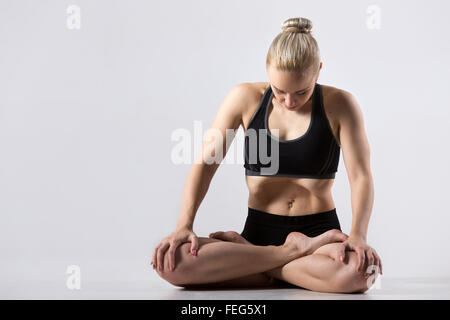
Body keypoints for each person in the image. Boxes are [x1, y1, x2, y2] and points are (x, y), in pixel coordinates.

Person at [151, 17, 382, 293]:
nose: (289, 101)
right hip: (261, 233)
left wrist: (358, 235)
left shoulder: (341, 105)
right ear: (268, 71)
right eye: (279, 90)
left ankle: (256, 264)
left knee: (360, 275)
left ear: (318, 71)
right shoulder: (244, 98)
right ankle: (292, 255)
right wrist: (183, 225)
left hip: (320, 235)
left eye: (301, 92)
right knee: (172, 264)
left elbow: (361, 176)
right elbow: (206, 163)